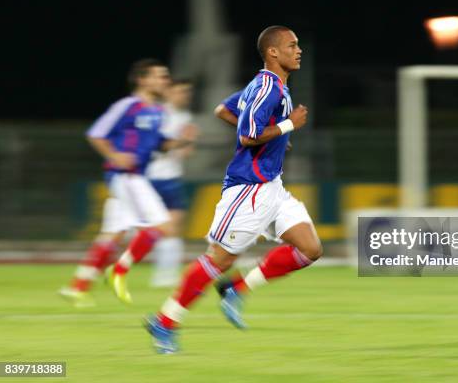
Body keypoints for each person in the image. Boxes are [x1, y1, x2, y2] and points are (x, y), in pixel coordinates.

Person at [145, 25, 322, 354]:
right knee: (219, 260)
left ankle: (237, 290)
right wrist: (287, 126)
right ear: (273, 52)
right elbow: (247, 136)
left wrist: (280, 136)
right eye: (291, 45)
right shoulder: (267, 88)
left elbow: (223, 110)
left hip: (273, 187)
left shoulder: (272, 86)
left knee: (309, 249)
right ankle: (164, 320)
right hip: (249, 189)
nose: (298, 50)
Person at [60, 59, 197, 307]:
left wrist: (181, 141)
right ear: (142, 80)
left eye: (165, 76)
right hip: (126, 176)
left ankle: (78, 287)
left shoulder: (157, 111)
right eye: (159, 76)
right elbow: (96, 133)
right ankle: (120, 270)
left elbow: (160, 145)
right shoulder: (127, 106)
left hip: (136, 177)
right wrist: (114, 155)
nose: (164, 81)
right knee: (163, 226)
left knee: (112, 235)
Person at [147, 78, 198, 287]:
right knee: (154, 229)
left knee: (175, 225)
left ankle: (166, 275)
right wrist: (183, 140)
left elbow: (185, 152)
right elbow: (160, 145)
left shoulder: (186, 117)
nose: (184, 96)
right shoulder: (157, 114)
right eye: (180, 91)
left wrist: (188, 142)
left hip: (172, 177)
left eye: (187, 92)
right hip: (150, 177)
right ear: (168, 92)